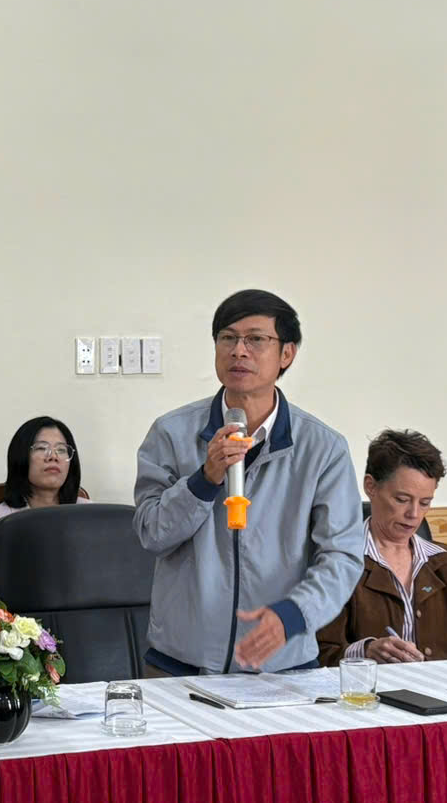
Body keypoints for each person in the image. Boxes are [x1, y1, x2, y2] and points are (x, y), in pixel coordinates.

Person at [134, 289, 363, 676]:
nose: (239, 351)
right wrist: (204, 480)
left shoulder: (323, 448)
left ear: (286, 354)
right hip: (181, 664)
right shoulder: (171, 433)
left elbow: (342, 555)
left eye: (256, 339)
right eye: (228, 337)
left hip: (283, 667)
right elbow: (151, 534)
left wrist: (294, 614)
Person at [317, 430, 447, 665]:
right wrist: (366, 651)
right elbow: (320, 651)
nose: (414, 514)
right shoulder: (340, 560)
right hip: (371, 686)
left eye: (425, 503)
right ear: (371, 486)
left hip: (442, 686)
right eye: (402, 500)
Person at [0, 416, 88, 525]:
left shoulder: (89, 513)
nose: (53, 456)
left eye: (61, 450)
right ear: (21, 456)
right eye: (41, 448)